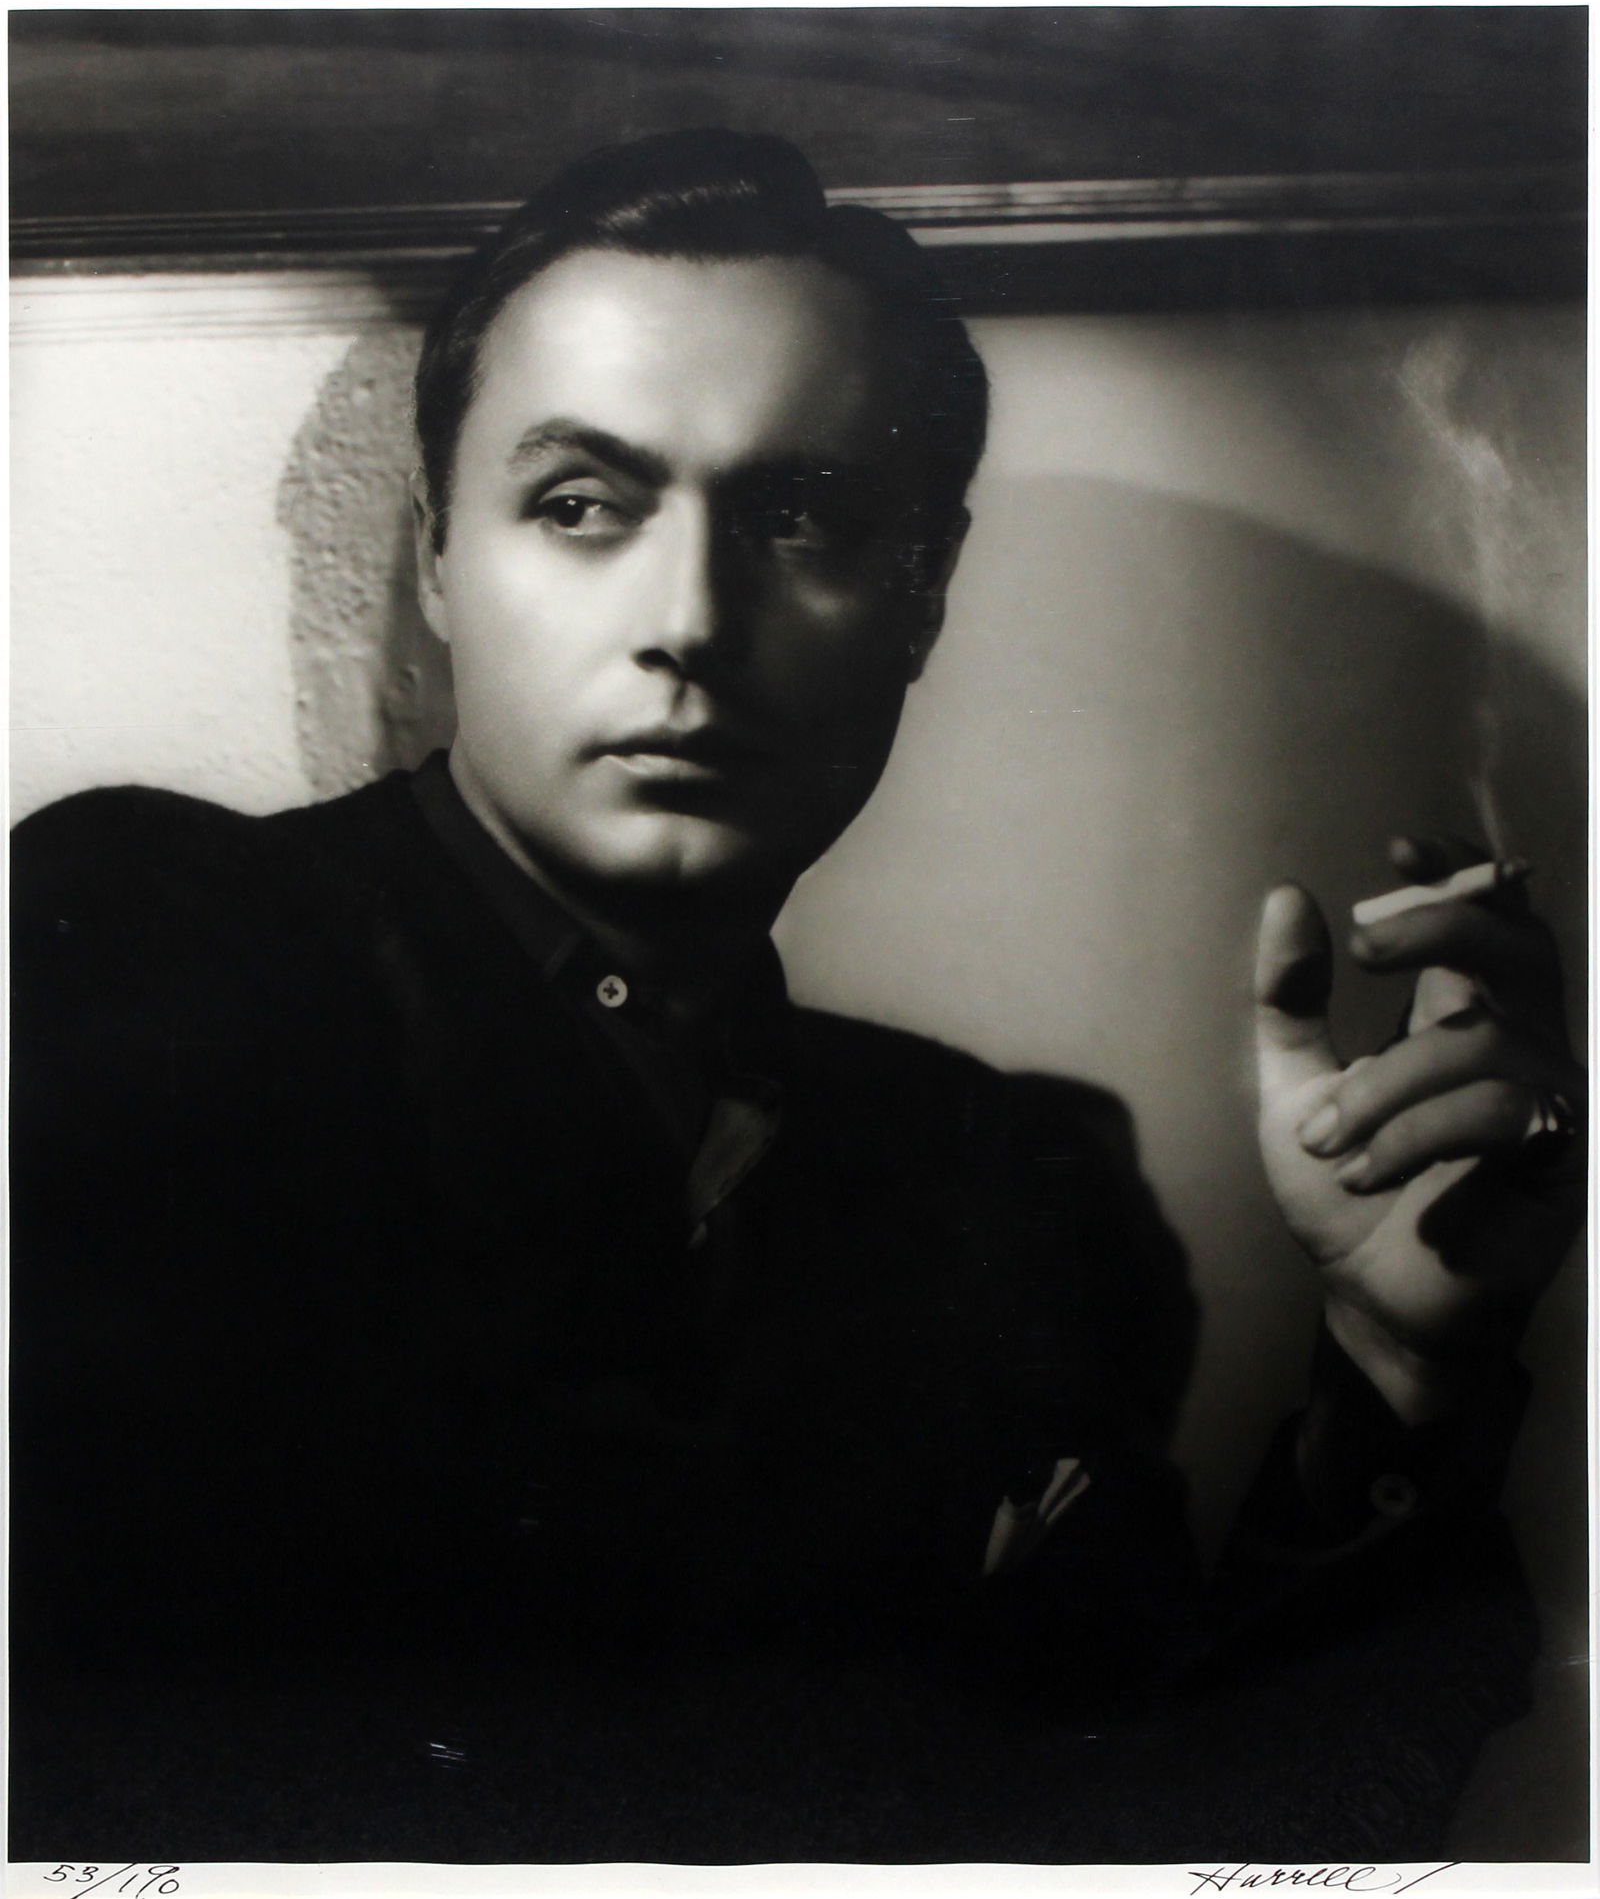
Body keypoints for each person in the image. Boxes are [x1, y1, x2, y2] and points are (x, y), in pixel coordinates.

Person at [9, 129, 1584, 1865]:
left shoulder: (1008, 1184)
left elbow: (1188, 1855)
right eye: (582, 503)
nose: (690, 619)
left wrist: (1403, 1373)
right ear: (440, 561)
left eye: (803, 516)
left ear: (923, 599)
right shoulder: (139, 957)